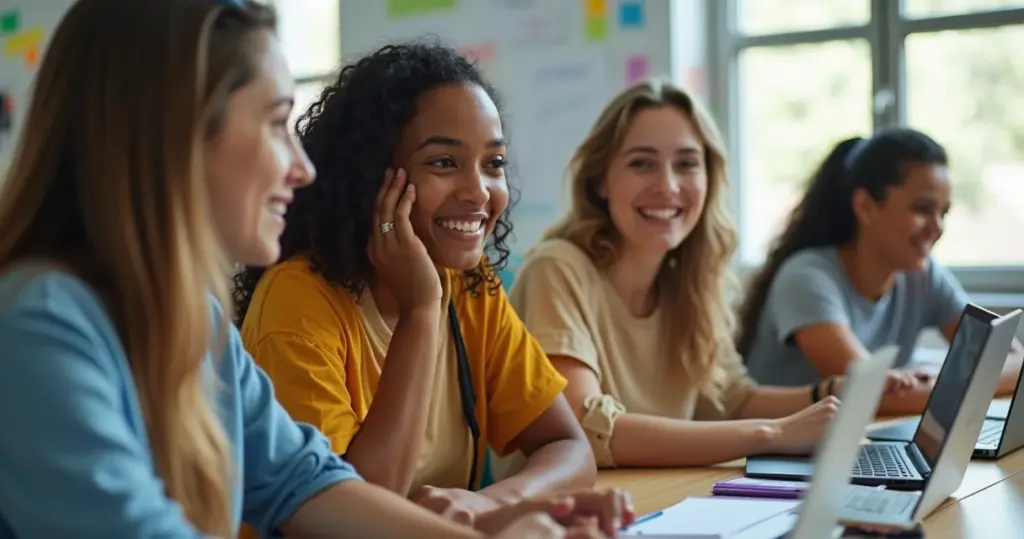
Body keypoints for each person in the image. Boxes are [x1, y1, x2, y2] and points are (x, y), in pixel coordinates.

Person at [0, 1, 630, 538]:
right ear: (175, 134)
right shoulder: (40, 324)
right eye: (276, 124)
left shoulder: (195, 322)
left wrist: (493, 527)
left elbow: (308, 487)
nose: (302, 169)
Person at [232, 41, 599, 522]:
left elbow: (568, 445)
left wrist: (487, 504)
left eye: (493, 164)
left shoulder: (469, 286)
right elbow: (357, 515)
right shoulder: (297, 301)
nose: (478, 191)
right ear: (369, 179)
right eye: (444, 163)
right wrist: (422, 311)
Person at [507, 80, 856, 469]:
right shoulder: (556, 269)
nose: (667, 186)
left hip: (652, 504)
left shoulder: (690, 282)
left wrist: (837, 392)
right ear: (601, 180)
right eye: (642, 163)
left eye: (687, 164)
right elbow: (588, 429)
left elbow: (732, 401)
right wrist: (772, 434)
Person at [736, 129, 1023, 415]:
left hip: (861, 440)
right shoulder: (806, 278)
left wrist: (942, 384)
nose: (937, 228)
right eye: (922, 209)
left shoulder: (923, 274)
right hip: (771, 452)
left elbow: (1012, 357)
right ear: (866, 207)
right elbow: (869, 396)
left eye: (943, 212)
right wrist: (966, 381)